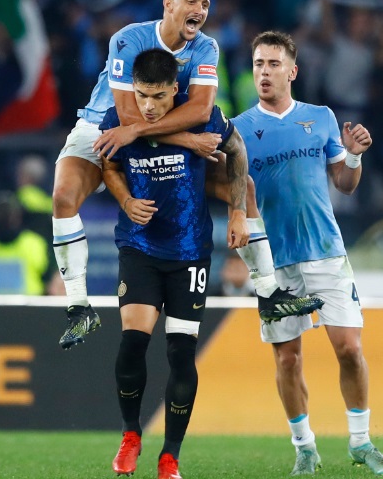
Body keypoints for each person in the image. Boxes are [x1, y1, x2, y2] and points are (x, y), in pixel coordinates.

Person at [54, 0, 321, 350]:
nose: (201, 10)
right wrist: (188, 140)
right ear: (169, 4)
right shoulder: (129, 39)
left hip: (158, 134)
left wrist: (230, 204)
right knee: (63, 196)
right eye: (192, 1)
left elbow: (200, 110)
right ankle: (79, 307)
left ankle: (268, 293)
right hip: (103, 129)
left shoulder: (206, 48)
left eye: (206, 4)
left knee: (241, 186)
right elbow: (126, 117)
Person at [231, 31, 383, 476]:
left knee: (350, 349)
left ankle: (361, 442)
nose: (264, 72)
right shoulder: (239, 130)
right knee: (287, 358)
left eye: (273, 64)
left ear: (293, 71)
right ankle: (304, 448)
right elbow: (234, 194)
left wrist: (355, 157)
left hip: (325, 251)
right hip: (275, 262)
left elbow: (344, 183)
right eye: (258, 64)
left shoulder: (321, 117)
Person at [101, 48, 248, 479]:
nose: (148, 106)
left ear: (175, 91)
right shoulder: (117, 117)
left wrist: (238, 211)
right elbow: (109, 166)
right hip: (140, 247)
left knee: (181, 354)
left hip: (189, 253)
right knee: (133, 341)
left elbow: (237, 150)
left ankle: (170, 457)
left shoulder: (203, 116)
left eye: (159, 96)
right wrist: (125, 200)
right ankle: (131, 435)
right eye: (142, 95)